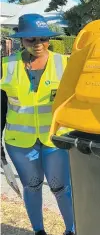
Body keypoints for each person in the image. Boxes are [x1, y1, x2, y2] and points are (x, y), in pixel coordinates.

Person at [0, 14, 75, 235]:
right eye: (30, 40)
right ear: (20, 40)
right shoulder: (6, 66)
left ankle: (71, 231)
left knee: (60, 188)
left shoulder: (65, 63)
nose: (38, 44)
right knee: (32, 186)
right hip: (19, 142)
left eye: (43, 39)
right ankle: (39, 231)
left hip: (56, 140)